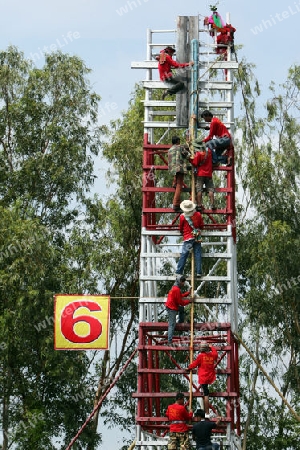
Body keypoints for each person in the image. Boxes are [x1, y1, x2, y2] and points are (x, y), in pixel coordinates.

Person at [186, 342, 218, 417]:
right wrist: (212, 347)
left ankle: (207, 413)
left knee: (206, 394)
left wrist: (189, 367)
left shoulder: (201, 356)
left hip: (203, 377)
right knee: (206, 392)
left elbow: (195, 364)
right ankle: (207, 412)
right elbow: (215, 354)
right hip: (210, 376)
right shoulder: (212, 355)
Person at [175, 200, 204, 278]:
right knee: (198, 254)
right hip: (197, 235)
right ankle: (199, 272)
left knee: (184, 254)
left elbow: (180, 228)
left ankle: (179, 271)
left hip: (188, 237)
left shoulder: (182, 216)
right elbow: (201, 225)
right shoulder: (198, 214)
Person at [166, 276, 194, 345]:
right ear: (180, 282)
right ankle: (169, 341)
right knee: (172, 324)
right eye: (183, 282)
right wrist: (189, 301)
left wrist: (188, 293)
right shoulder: (176, 289)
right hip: (171, 308)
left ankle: (180, 322)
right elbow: (180, 302)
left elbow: (180, 296)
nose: (183, 284)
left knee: (181, 309)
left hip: (172, 306)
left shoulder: (175, 288)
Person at [190, 139, 216, 211]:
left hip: (200, 174)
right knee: (210, 189)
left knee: (199, 190)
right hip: (208, 174)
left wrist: (190, 159)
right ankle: (212, 204)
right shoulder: (209, 153)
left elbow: (195, 163)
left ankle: (199, 205)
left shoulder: (199, 154)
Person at [168, 136, 192, 212]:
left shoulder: (170, 149)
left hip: (172, 168)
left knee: (176, 177)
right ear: (178, 141)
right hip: (179, 168)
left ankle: (174, 183)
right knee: (179, 185)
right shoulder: (180, 147)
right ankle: (176, 203)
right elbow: (188, 155)